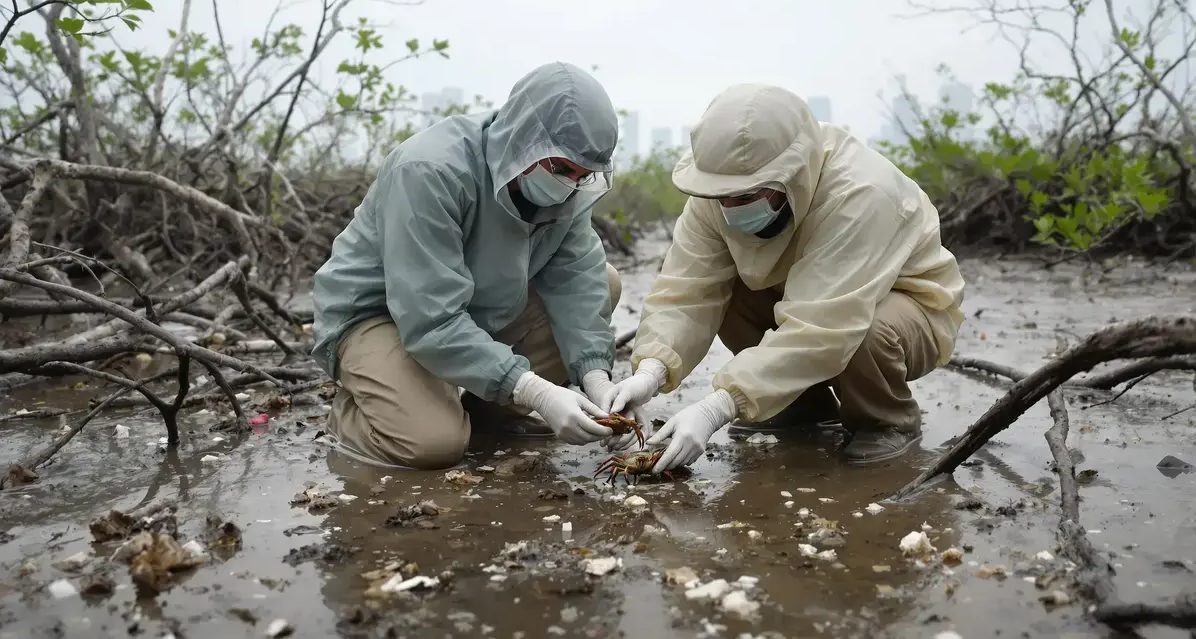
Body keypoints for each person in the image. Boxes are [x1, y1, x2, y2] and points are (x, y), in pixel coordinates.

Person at [594, 83, 966, 470]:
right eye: (724, 196)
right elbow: (687, 290)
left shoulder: (861, 192)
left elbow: (825, 324)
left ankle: (885, 421)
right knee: (730, 294)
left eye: (747, 195)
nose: (731, 208)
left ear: (793, 174)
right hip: (800, 295)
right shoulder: (714, 191)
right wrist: (651, 371)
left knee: (867, 329)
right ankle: (801, 406)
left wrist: (721, 405)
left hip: (903, 306)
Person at [310, 62, 629, 470]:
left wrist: (596, 378)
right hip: (380, 315)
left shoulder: (569, 193)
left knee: (606, 281)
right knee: (432, 445)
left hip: (474, 310)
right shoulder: (430, 170)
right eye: (561, 168)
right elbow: (430, 318)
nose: (569, 183)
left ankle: (486, 413)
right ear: (523, 139)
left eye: (583, 175)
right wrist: (535, 391)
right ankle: (360, 415)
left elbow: (579, 283)